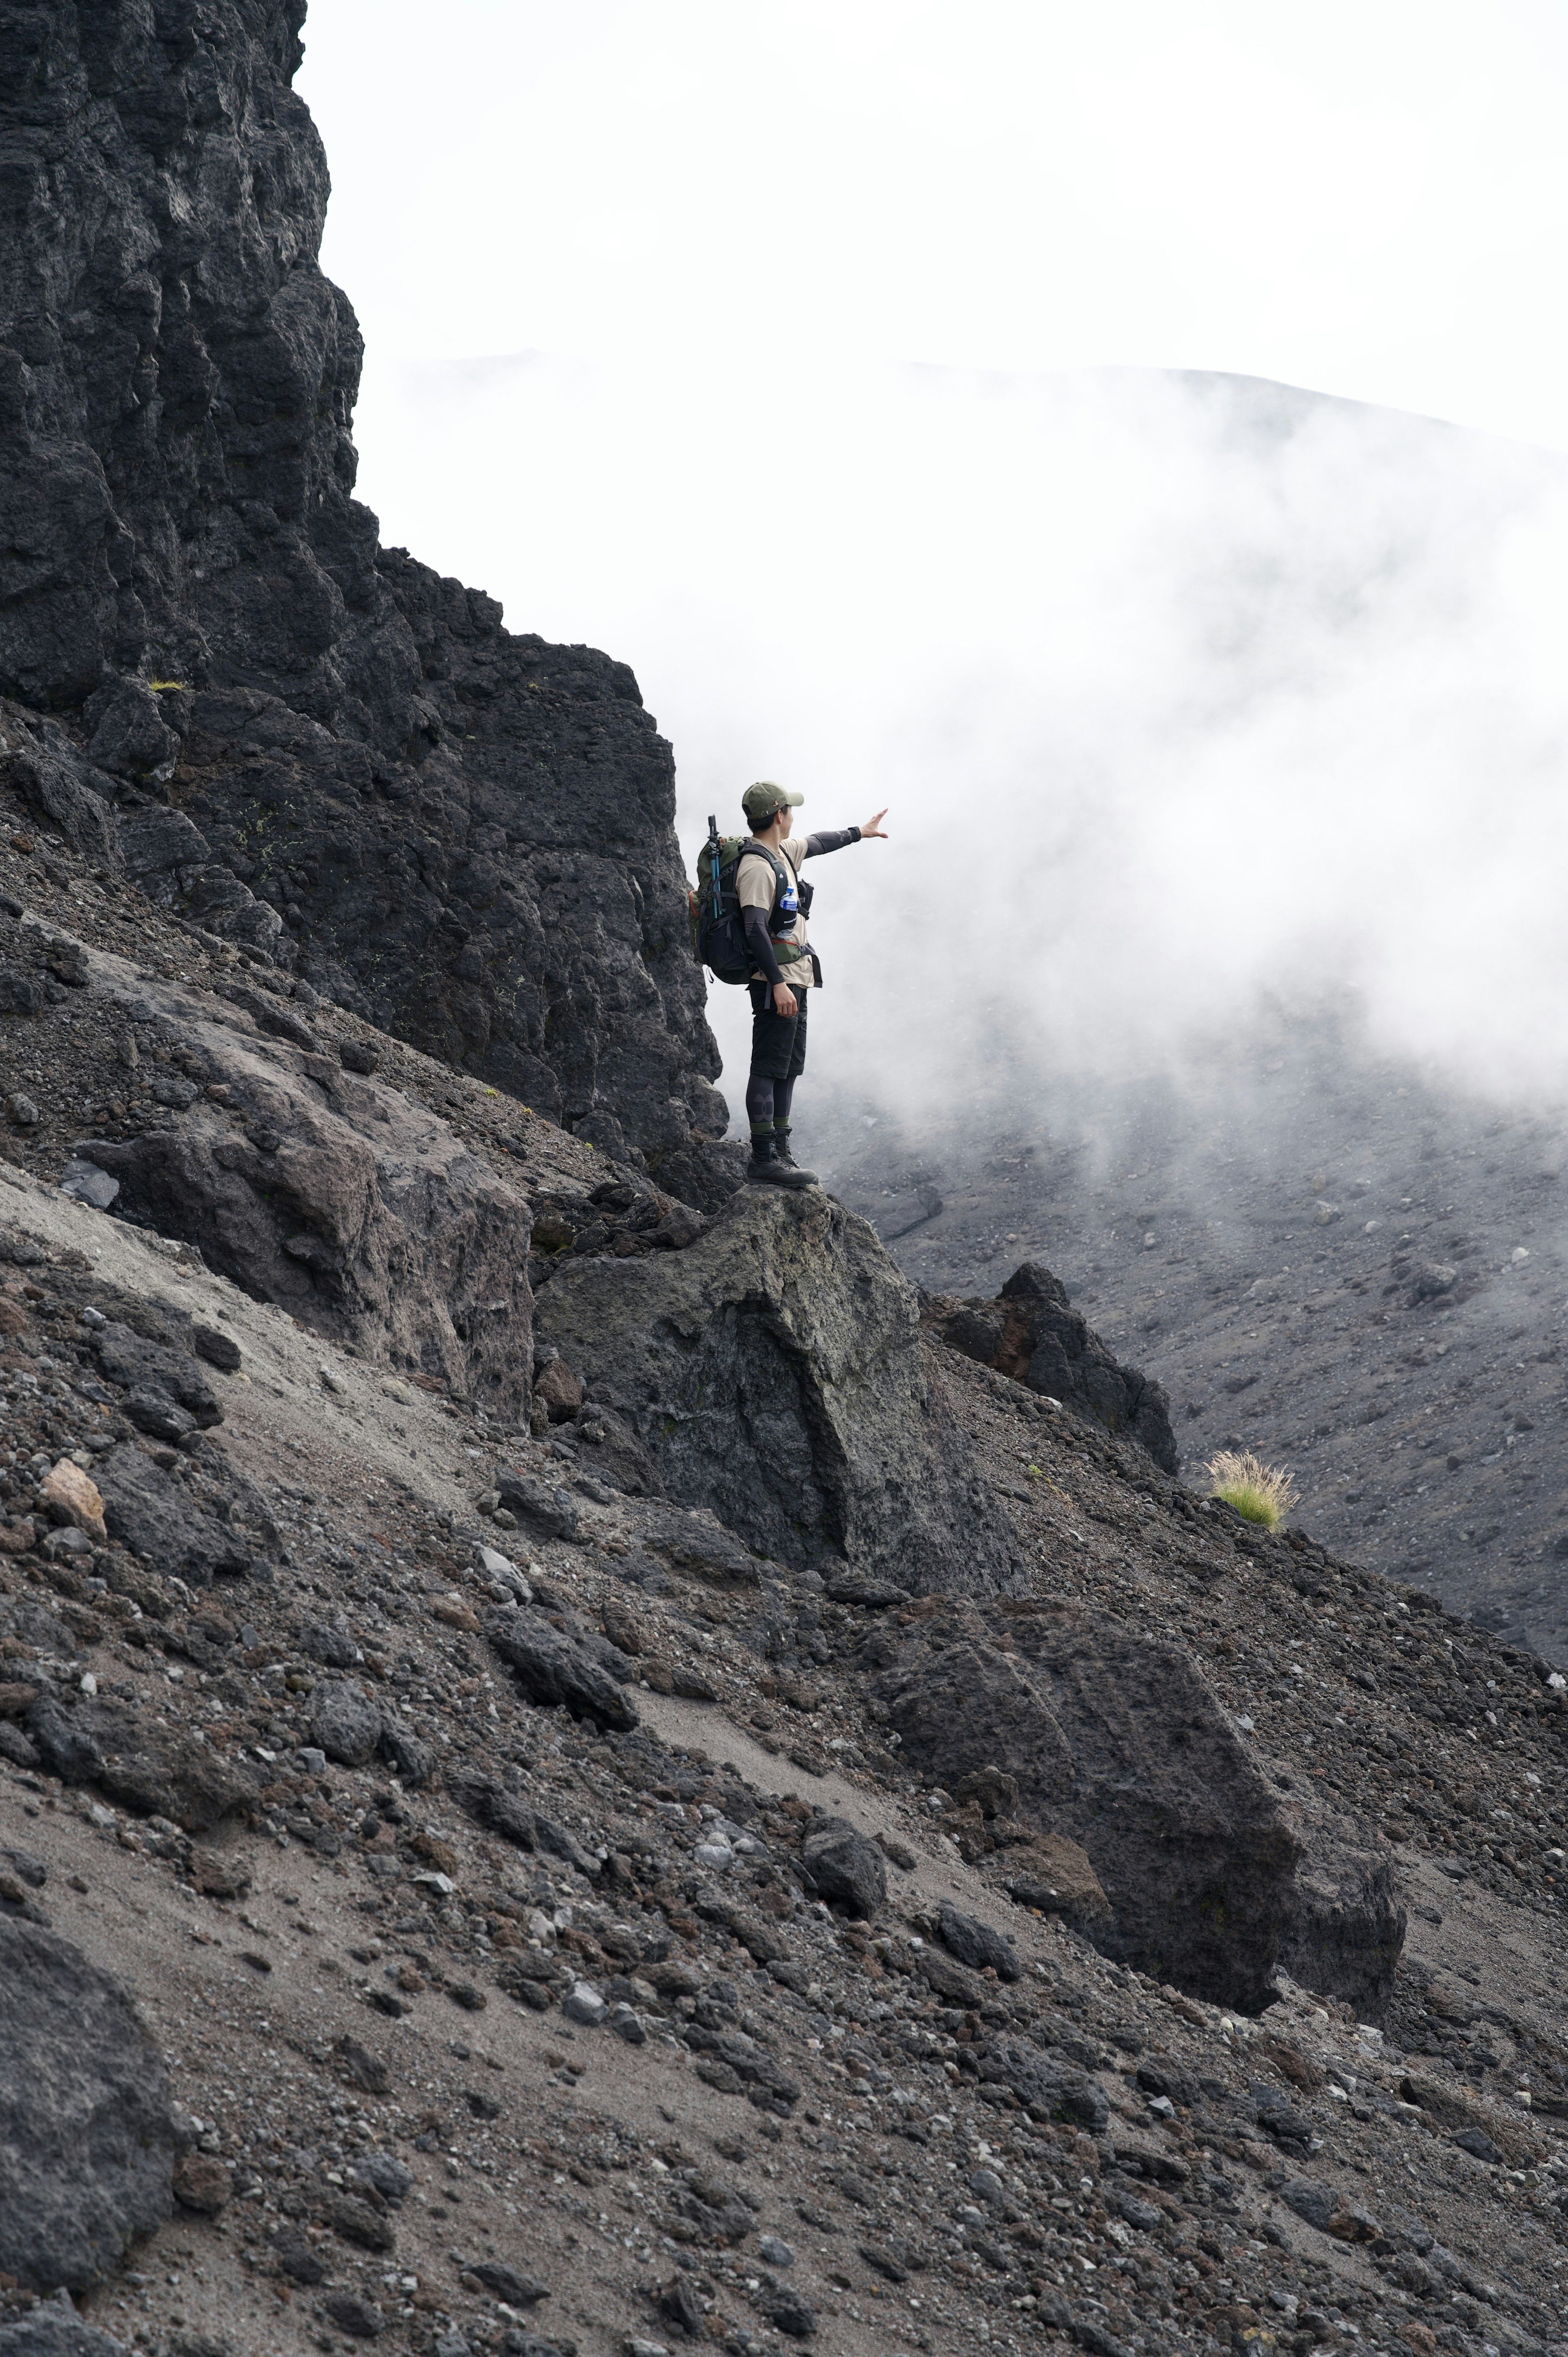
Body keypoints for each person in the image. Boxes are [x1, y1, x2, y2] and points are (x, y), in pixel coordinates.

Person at [735, 780, 889, 1186]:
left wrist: (861, 831)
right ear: (778, 813)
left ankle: (781, 1150)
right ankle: (764, 1158)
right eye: (790, 809)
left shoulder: (783, 852)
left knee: (789, 1066)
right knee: (769, 1065)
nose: (794, 816)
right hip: (777, 981)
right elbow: (753, 929)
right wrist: (777, 983)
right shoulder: (756, 866)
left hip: (797, 977)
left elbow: (820, 841)